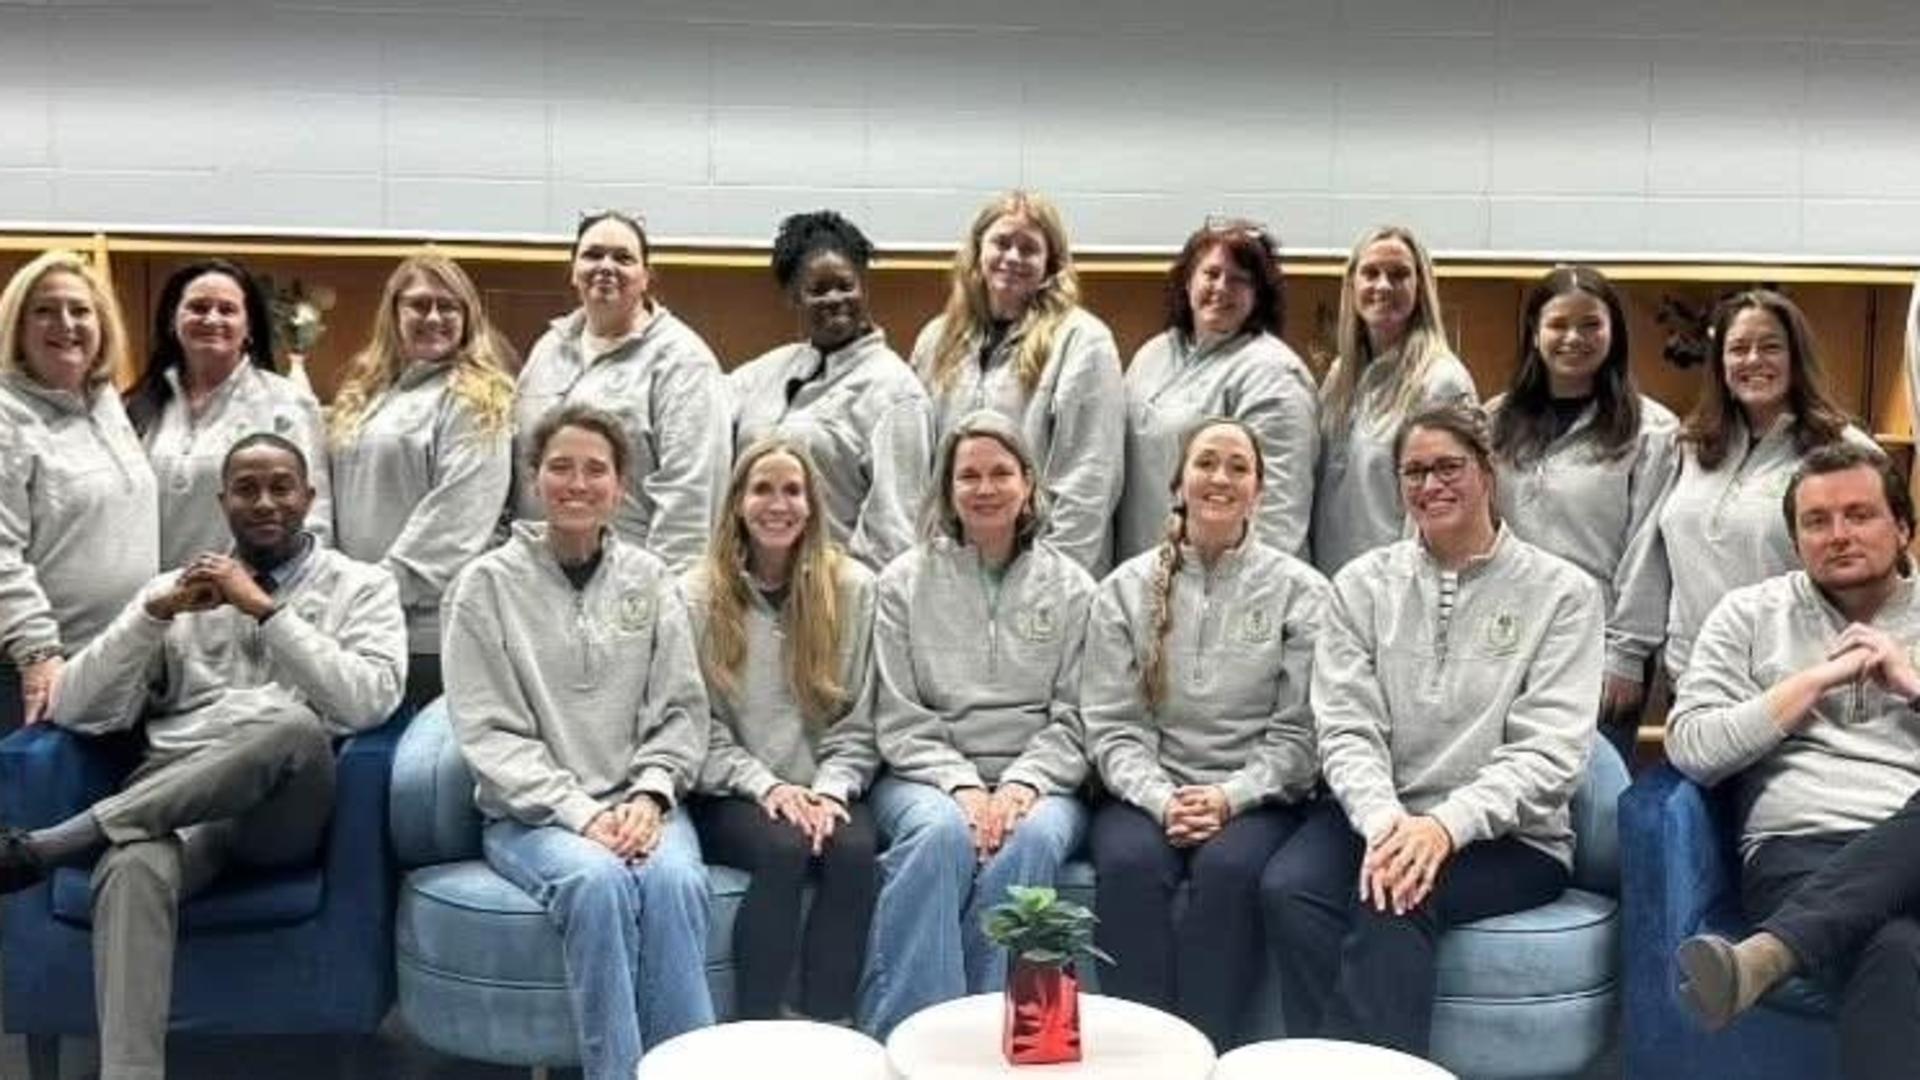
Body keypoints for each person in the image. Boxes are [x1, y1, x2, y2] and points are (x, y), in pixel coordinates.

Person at [0, 434, 405, 1080]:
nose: (265, 502)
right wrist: (152, 616)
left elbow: (369, 703)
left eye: (281, 486)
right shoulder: (176, 588)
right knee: (132, 864)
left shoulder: (362, 587)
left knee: (293, 724)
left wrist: (265, 611)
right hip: (175, 805)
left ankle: (58, 842)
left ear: (309, 496)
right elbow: (74, 707)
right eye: (247, 489)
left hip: (282, 811)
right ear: (223, 502)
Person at [1264, 402, 1601, 1057]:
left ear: (1488, 471)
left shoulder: (1563, 593)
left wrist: (1444, 828)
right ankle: (1316, 1066)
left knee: (1395, 895)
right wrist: (1389, 824)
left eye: (1448, 467)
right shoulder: (1361, 585)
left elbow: (1551, 752)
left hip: (1509, 837)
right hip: (1381, 816)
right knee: (1289, 889)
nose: (1430, 485)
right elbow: (1345, 728)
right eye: (1413, 472)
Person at [443, 404, 713, 1080]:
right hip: (534, 817)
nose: (578, 483)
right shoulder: (485, 586)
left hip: (640, 805)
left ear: (620, 488)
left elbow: (681, 709)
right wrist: (582, 813)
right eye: (560, 467)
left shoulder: (651, 579)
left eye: (596, 470)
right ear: (535, 480)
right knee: (596, 884)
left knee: (677, 880)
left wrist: (650, 795)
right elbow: (489, 734)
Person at [1667, 443, 1920, 1080]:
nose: (1838, 535)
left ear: (1904, 527)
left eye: (1859, 514)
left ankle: (1768, 954)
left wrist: (1912, 683)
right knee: (1893, 949)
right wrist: (1810, 685)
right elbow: (1693, 746)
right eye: (1816, 521)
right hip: (1799, 848)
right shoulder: (1747, 616)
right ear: (1794, 537)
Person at [1084, 417, 1330, 1049]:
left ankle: (1203, 1052)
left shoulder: (1303, 592)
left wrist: (1230, 797)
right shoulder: (1123, 591)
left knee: (1227, 874)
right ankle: (1139, 1056)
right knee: (1129, 867)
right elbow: (1113, 727)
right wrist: (1164, 798)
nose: (1220, 478)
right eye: (1206, 463)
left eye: (1238, 467)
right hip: (1147, 794)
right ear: (1178, 482)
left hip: (1258, 798)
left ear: (1260, 491)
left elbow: (1300, 734)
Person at [859, 411, 1096, 1037]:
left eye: (1000, 473)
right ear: (947, 489)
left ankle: (1002, 1037)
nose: (985, 488)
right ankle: (915, 1034)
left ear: (1028, 486)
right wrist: (961, 786)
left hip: (1041, 781)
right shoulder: (900, 584)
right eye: (969, 475)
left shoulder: (1074, 588)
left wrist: (1023, 784)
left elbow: (1077, 716)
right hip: (925, 777)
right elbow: (898, 715)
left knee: (1033, 840)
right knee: (939, 837)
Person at [685, 436, 880, 1021]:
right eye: (761, 489)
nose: (778, 503)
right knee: (782, 849)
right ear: (737, 504)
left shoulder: (853, 589)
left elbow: (861, 718)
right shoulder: (696, 595)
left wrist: (828, 790)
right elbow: (696, 726)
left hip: (825, 785)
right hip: (734, 788)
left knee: (853, 849)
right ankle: (756, 1025)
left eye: (792, 490)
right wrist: (768, 788)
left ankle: (828, 1023)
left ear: (813, 504)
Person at [1489, 266, 1679, 762]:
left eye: (1591, 324)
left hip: (1595, 645)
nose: (1573, 337)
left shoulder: (1651, 430)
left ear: (1614, 334)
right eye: (1558, 324)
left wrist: (1627, 655)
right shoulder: (1493, 421)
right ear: (1534, 333)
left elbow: (1648, 550)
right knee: (1500, 786)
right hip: (1500, 639)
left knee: (1586, 796)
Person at [328, 252, 514, 707]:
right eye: (419, 304)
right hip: (356, 623)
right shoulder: (368, 394)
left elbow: (456, 519)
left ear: (468, 317)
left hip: (427, 633)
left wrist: (370, 595)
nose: (434, 317)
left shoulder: (478, 397)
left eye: (448, 306)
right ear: (393, 313)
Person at [1658, 289, 1869, 681]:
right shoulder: (1689, 445)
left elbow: (1880, 567)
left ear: (1796, 358)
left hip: (1796, 677)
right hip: (1694, 676)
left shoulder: (1844, 448)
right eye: (1738, 348)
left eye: (1770, 347)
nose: (1753, 359)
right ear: (1721, 362)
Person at [911, 191, 1124, 574]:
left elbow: (1090, 479)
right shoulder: (935, 340)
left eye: (1029, 249)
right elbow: (919, 466)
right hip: (950, 568)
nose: (1012, 258)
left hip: (1042, 572)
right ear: (977, 251)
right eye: (1001, 243)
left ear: (1051, 263)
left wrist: (1050, 579)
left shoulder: (1082, 341)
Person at [512, 210, 730, 572]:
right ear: (573, 271)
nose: (606, 267)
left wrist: (661, 599)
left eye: (623, 258)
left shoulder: (684, 361)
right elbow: (520, 466)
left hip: (627, 581)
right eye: (593, 255)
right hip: (537, 579)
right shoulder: (547, 349)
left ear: (646, 277)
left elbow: (691, 498)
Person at [0, 250, 156, 732]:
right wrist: (38, 652)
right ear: (17, 328)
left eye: (80, 310)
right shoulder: (7, 414)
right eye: (44, 310)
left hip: (121, 657)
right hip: (44, 669)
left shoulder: (106, 401)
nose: (65, 323)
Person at [730, 210, 933, 569]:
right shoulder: (765, 372)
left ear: (863, 287)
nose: (834, 299)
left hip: (833, 598)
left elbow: (896, 533)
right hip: (751, 589)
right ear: (793, 298)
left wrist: (846, 602)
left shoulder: (897, 392)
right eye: (817, 290)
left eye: (845, 285)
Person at [1115, 220, 1318, 563]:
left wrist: (1235, 592)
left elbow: (1279, 510)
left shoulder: (1274, 372)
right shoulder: (1153, 355)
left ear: (1259, 294)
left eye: (1239, 280)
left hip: (1230, 587)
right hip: (1147, 574)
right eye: (1211, 274)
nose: (1222, 288)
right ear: (1187, 280)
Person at [126, 258, 332, 570]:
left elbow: (313, 519)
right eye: (198, 307)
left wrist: (271, 603)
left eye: (227, 309)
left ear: (248, 327)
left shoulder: (287, 404)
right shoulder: (137, 407)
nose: (212, 318)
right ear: (172, 320)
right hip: (153, 602)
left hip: (244, 601)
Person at [1312, 225, 1477, 576]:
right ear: (1352, 285)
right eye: (1371, 273)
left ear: (1421, 287)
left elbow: (1443, 513)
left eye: (1399, 274)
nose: (1383, 286)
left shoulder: (1441, 382)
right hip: (1332, 590)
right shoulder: (1341, 378)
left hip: (1396, 595)